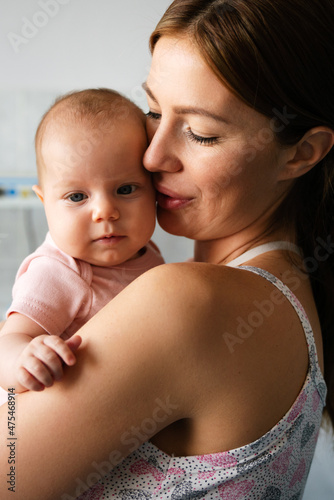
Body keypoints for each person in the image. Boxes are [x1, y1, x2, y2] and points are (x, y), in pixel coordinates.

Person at [0, 0, 333, 498]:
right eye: (154, 111)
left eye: (201, 133)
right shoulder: (293, 289)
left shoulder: (188, 304)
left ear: (302, 152)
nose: (152, 156)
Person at [0, 89, 163, 394]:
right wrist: (26, 358)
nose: (105, 212)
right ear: (44, 201)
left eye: (126, 189)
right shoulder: (58, 273)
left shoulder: (143, 251)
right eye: (77, 196)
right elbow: (8, 342)